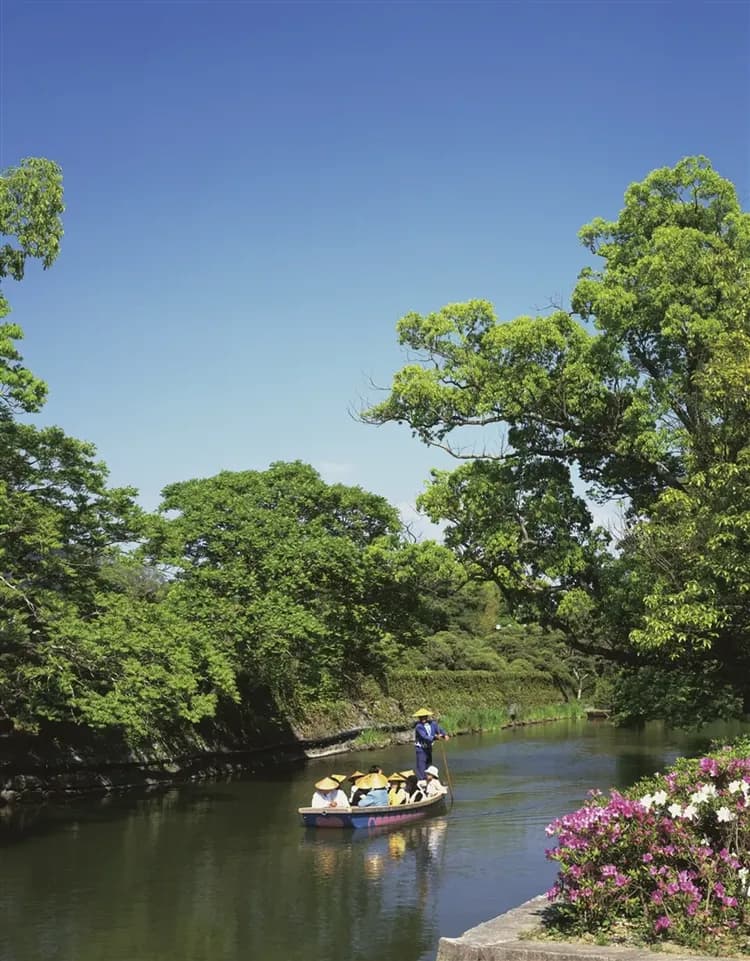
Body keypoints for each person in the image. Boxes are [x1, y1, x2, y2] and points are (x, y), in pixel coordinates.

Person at [412, 707, 450, 781]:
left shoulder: (433, 724)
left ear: (427, 716)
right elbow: (424, 736)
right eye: (421, 717)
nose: (423, 718)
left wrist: (444, 734)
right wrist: (435, 737)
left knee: (429, 765)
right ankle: (422, 781)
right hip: (421, 749)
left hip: (429, 748)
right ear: (419, 718)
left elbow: (439, 729)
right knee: (421, 766)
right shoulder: (419, 727)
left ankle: (429, 780)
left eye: (424, 716)